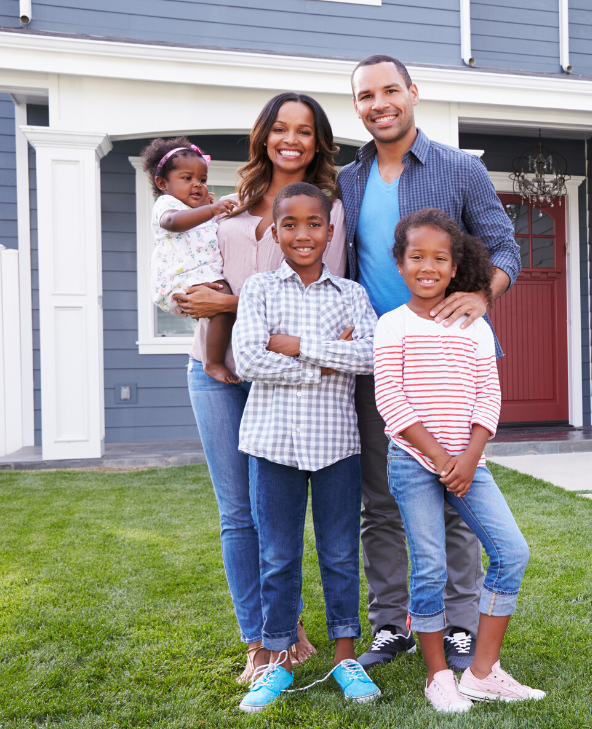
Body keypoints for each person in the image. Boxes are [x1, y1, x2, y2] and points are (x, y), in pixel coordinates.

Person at [339, 54, 521, 672]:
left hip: (453, 360)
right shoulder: (347, 179)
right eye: (366, 95)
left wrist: (482, 293)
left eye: (390, 90)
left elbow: (505, 247)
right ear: (357, 106)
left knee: (458, 496)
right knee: (383, 500)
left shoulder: (459, 168)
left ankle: (462, 626)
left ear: (413, 93)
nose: (379, 103)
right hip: (382, 361)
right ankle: (392, 624)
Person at [173, 93, 347, 683]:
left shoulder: (331, 211)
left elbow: (323, 303)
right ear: (263, 136)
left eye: (303, 130)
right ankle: (262, 637)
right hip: (216, 370)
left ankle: (285, 623)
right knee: (237, 514)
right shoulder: (226, 204)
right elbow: (192, 279)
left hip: (287, 381)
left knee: (282, 513)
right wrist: (194, 298)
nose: (290, 139)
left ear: (318, 140)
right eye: (279, 128)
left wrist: (227, 301)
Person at [373, 209, 543, 712]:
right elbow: (392, 403)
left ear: (454, 267)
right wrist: (442, 458)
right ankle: (437, 676)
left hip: (470, 462)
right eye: (416, 256)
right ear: (400, 265)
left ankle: (482, 673)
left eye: (439, 258)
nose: (428, 266)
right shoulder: (391, 326)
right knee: (430, 567)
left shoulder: (476, 326)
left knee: (511, 553)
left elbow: (488, 398)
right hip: (413, 461)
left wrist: (469, 458)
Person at [233, 183, 380, 712]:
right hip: (272, 444)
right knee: (277, 555)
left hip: (336, 444)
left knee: (341, 553)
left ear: (330, 230)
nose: (302, 234)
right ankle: (275, 660)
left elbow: (367, 356)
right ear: (275, 232)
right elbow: (248, 359)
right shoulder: (258, 291)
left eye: (314, 224)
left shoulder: (352, 295)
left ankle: (346, 657)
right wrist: (325, 358)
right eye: (289, 224)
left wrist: (294, 347)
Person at [142, 138, 238, 384]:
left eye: (202, 180)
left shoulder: (198, 211)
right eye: (187, 179)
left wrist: (206, 209)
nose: (197, 185)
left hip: (201, 274)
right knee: (222, 305)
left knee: (223, 305)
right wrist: (211, 209)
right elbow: (173, 223)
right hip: (181, 277)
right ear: (163, 183)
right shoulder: (167, 205)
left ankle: (216, 358)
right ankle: (213, 362)